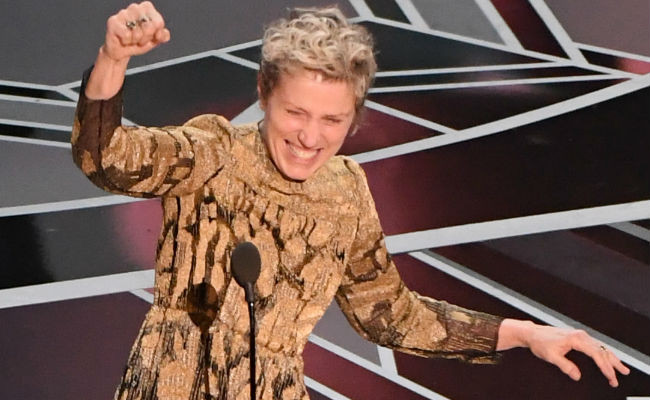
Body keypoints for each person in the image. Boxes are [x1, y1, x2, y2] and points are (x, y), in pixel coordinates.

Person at [72, 2, 630, 399]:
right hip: (171, 382)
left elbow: (390, 316)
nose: (309, 137)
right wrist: (112, 61)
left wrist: (524, 333)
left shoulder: (346, 191)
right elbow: (107, 158)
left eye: (332, 120)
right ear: (264, 93)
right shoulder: (214, 149)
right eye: (296, 112)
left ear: (354, 119)